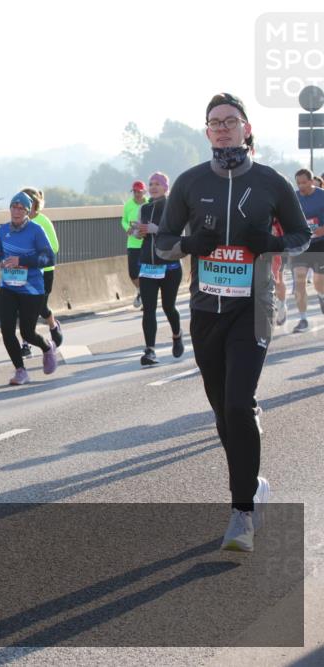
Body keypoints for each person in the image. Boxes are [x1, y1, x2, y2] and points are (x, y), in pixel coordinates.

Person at [156, 93, 310, 552]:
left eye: (230, 121)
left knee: (240, 404)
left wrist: (269, 242)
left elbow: (302, 236)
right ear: (206, 133)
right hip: (206, 310)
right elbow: (161, 242)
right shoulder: (189, 182)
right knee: (225, 411)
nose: (222, 128)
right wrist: (189, 246)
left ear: (246, 128)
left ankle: (242, 512)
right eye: (214, 123)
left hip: (253, 309)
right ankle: (254, 484)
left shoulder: (269, 182)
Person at [0, 192, 58, 385]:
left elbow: (49, 258)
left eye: (21, 208)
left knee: (27, 333)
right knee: (7, 330)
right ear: (9, 209)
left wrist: (22, 260)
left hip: (32, 290)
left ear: (27, 212)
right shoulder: (3, 230)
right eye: (14, 207)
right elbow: (0, 252)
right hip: (8, 286)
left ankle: (47, 347)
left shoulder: (36, 231)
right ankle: (20, 370)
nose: (16, 211)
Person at [134, 172, 184, 365]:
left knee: (168, 306)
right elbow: (140, 235)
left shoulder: (173, 207)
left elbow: (180, 233)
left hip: (169, 266)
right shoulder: (144, 208)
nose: (153, 187)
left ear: (165, 187)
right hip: (148, 265)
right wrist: (137, 231)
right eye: (151, 184)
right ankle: (150, 351)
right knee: (149, 309)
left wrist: (158, 230)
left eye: (158, 184)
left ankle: (177, 334)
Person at [20, 187, 63, 356]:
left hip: (44, 271)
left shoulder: (43, 222)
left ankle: (52, 324)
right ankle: (25, 343)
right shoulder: (18, 222)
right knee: (23, 307)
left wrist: (33, 256)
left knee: (40, 307)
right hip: (23, 272)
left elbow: (54, 247)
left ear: (34, 204)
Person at [290, 168, 324, 332]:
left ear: (311, 181)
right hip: (301, 246)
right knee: (299, 282)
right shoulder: (294, 198)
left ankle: (322, 296)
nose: (301, 186)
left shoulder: (322, 196)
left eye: (304, 182)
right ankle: (303, 319)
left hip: (320, 245)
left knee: (319, 282)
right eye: (298, 183)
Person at [122, 180, 149, 308]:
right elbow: (124, 220)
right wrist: (127, 228)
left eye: (139, 191)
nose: (137, 194)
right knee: (133, 273)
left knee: (145, 272)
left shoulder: (149, 203)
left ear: (144, 191)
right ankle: (141, 291)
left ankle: (145, 296)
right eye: (135, 192)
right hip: (133, 243)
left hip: (147, 242)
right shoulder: (128, 205)